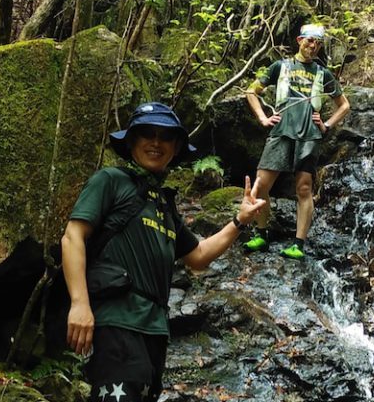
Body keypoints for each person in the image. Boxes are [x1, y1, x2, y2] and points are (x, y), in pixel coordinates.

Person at [60, 102, 265, 401]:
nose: (155, 142)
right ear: (131, 141)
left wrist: (239, 221)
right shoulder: (111, 181)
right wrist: (79, 304)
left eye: (165, 136)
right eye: (147, 133)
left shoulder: (164, 206)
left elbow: (198, 256)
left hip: (154, 332)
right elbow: (72, 236)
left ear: (176, 146)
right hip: (118, 323)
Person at [243, 24, 350, 259]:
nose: (314, 46)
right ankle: (261, 234)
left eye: (318, 43)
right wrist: (262, 118)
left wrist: (327, 125)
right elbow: (252, 91)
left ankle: (298, 244)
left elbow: (344, 105)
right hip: (281, 131)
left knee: (303, 188)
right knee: (261, 184)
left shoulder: (324, 74)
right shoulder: (280, 67)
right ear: (299, 40)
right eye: (310, 41)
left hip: (309, 135)